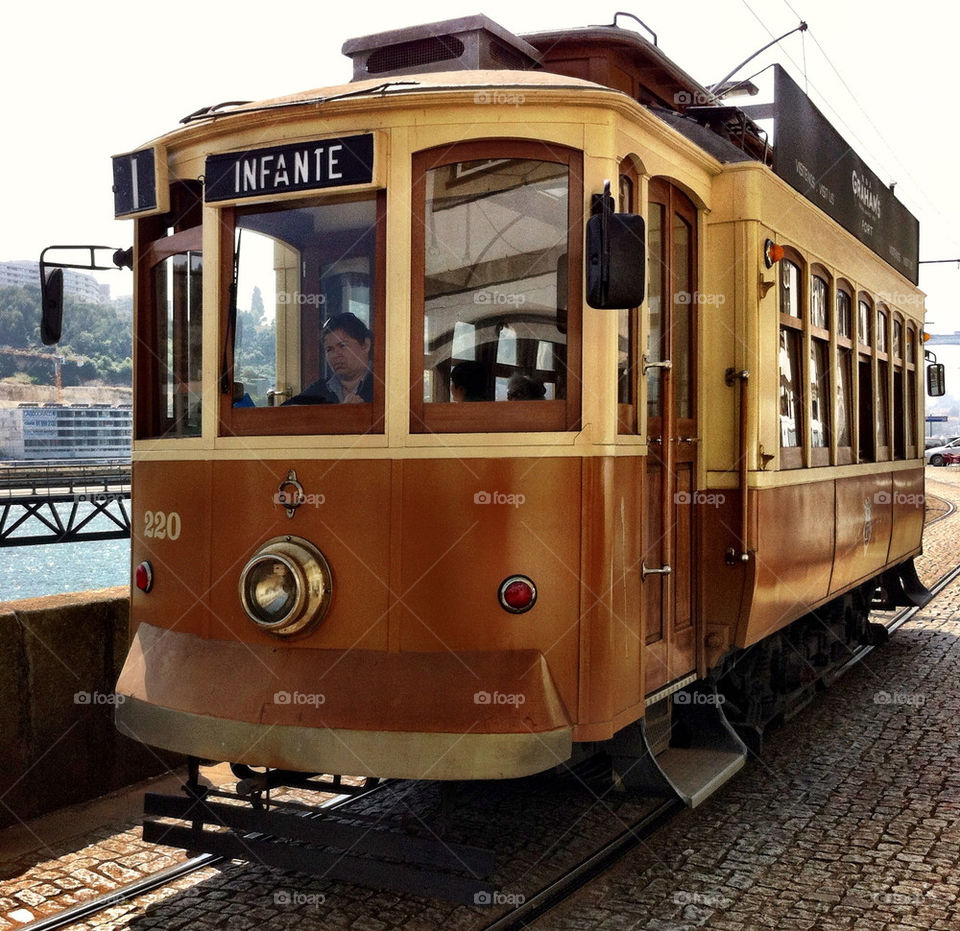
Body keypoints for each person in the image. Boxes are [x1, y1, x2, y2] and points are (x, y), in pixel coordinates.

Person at [285, 313, 373, 404]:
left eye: (342, 346)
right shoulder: (320, 390)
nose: (335, 355)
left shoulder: (383, 385)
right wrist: (342, 413)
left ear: (365, 345)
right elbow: (282, 415)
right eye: (329, 349)